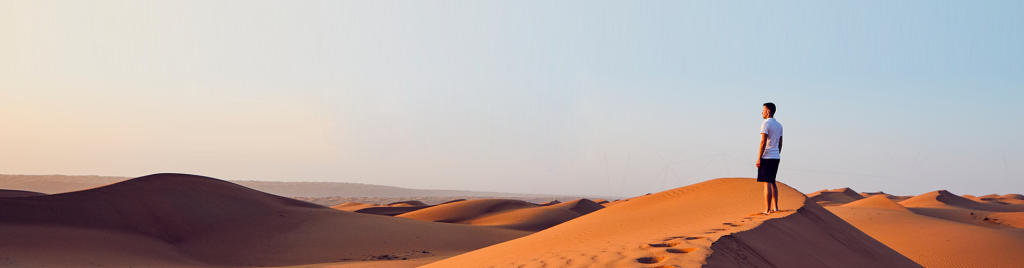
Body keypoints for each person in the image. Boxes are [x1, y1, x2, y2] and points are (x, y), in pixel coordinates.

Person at [756, 102, 783, 214]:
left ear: (768, 111)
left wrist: (759, 158)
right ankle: (775, 207)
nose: (762, 112)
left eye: (763, 110)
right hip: (776, 156)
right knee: (772, 181)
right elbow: (780, 143)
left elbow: (763, 142)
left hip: (767, 156)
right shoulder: (779, 125)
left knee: (767, 182)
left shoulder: (765, 124)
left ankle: (767, 209)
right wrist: (777, 153)